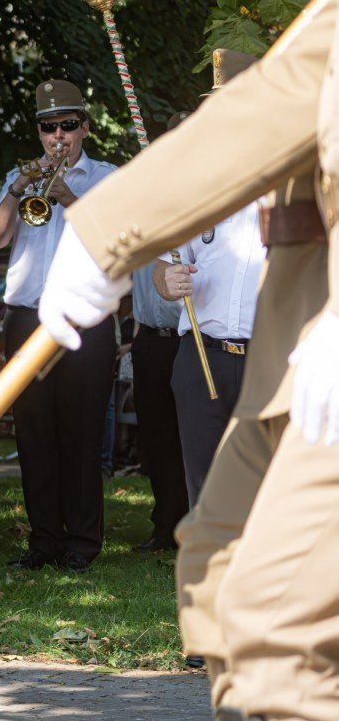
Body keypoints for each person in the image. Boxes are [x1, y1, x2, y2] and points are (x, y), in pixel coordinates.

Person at [34, 0, 339, 721]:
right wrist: (110, 230)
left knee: (278, 623)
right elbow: (280, 102)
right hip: (298, 355)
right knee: (213, 562)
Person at [0, 79, 117, 572]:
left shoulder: (106, 176)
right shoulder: (19, 177)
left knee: (82, 430)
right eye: (47, 127)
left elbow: (114, 242)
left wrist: (66, 194)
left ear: (84, 127)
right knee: (34, 431)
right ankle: (44, 540)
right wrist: (20, 188)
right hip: (26, 317)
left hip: (85, 318)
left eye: (66, 125)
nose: (57, 135)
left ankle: (82, 542)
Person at [154, 51, 264, 506]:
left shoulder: (294, 182)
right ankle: (212, 575)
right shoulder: (193, 187)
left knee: (266, 483)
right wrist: (169, 281)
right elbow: (163, 267)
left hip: (271, 358)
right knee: (205, 484)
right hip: (202, 355)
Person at [128, 247, 188, 553]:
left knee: (191, 435)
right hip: (150, 340)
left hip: (189, 339)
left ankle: (194, 523)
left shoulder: (198, 231)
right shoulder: (144, 230)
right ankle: (165, 526)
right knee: (155, 437)